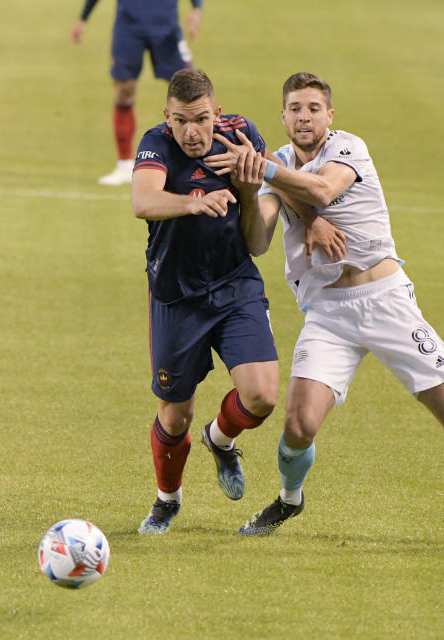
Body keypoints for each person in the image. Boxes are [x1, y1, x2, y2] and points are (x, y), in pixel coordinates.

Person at [205, 72, 444, 553]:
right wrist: (250, 187)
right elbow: (259, 241)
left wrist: (267, 174)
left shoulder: (348, 149)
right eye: (294, 108)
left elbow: (323, 191)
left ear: (329, 116)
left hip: (386, 301)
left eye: (313, 108)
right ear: (282, 116)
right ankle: (289, 499)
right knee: (298, 426)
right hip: (327, 312)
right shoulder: (276, 165)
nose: (304, 116)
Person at [129, 68, 279, 535]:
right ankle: (166, 500)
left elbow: (258, 243)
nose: (191, 132)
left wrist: (252, 192)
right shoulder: (156, 144)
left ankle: (220, 439)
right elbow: (142, 200)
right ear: (166, 118)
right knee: (175, 417)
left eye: (200, 119)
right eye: (180, 121)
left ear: (217, 111)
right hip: (177, 296)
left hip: (236, 285)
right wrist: (193, 202)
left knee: (262, 397)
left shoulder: (241, 136)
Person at [71, 0, 202, 186]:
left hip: (165, 25)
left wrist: (197, 8)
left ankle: (199, 160)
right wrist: (83, 19)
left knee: (188, 88)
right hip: (128, 27)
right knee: (124, 88)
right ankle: (124, 164)